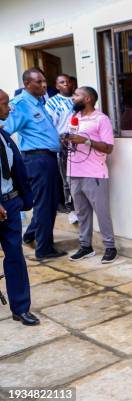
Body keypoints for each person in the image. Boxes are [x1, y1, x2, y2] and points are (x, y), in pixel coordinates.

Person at [0, 68, 66, 260]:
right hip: (37, 160)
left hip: (47, 158)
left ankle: (30, 235)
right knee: (45, 204)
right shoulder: (20, 104)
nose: (44, 85)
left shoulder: (39, 102)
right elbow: (6, 128)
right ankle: (44, 249)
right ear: (27, 84)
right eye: (38, 82)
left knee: (50, 202)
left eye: (45, 81)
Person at [65, 87, 117, 264]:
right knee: (81, 213)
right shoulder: (74, 118)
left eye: (76, 95)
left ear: (87, 99)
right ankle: (85, 247)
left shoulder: (101, 119)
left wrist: (86, 140)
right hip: (73, 172)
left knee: (102, 212)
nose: (73, 98)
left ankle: (110, 247)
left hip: (94, 174)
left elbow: (108, 148)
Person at [0, 89, 36, 325]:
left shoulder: (3, 134)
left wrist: (20, 200)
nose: (9, 108)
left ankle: (20, 308)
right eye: (4, 103)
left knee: (15, 256)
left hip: (10, 204)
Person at [46, 74, 78, 222]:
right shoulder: (52, 103)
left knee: (78, 176)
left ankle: (79, 205)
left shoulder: (78, 99)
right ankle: (70, 208)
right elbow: (49, 125)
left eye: (68, 81)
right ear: (57, 86)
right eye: (62, 82)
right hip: (62, 142)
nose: (66, 84)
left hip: (79, 141)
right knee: (66, 177)